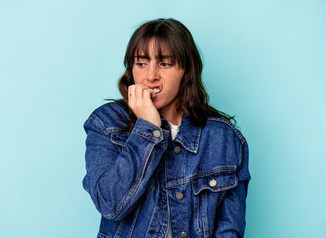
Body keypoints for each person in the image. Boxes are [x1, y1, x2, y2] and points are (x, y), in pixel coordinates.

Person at [82, 18, 251, 238]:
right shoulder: (106, 124)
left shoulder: (223, 137)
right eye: (141, 63)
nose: (151, 75)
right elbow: (111, 205)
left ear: (186, 71)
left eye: (165, 63)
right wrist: (147, 128)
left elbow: (230, 229)